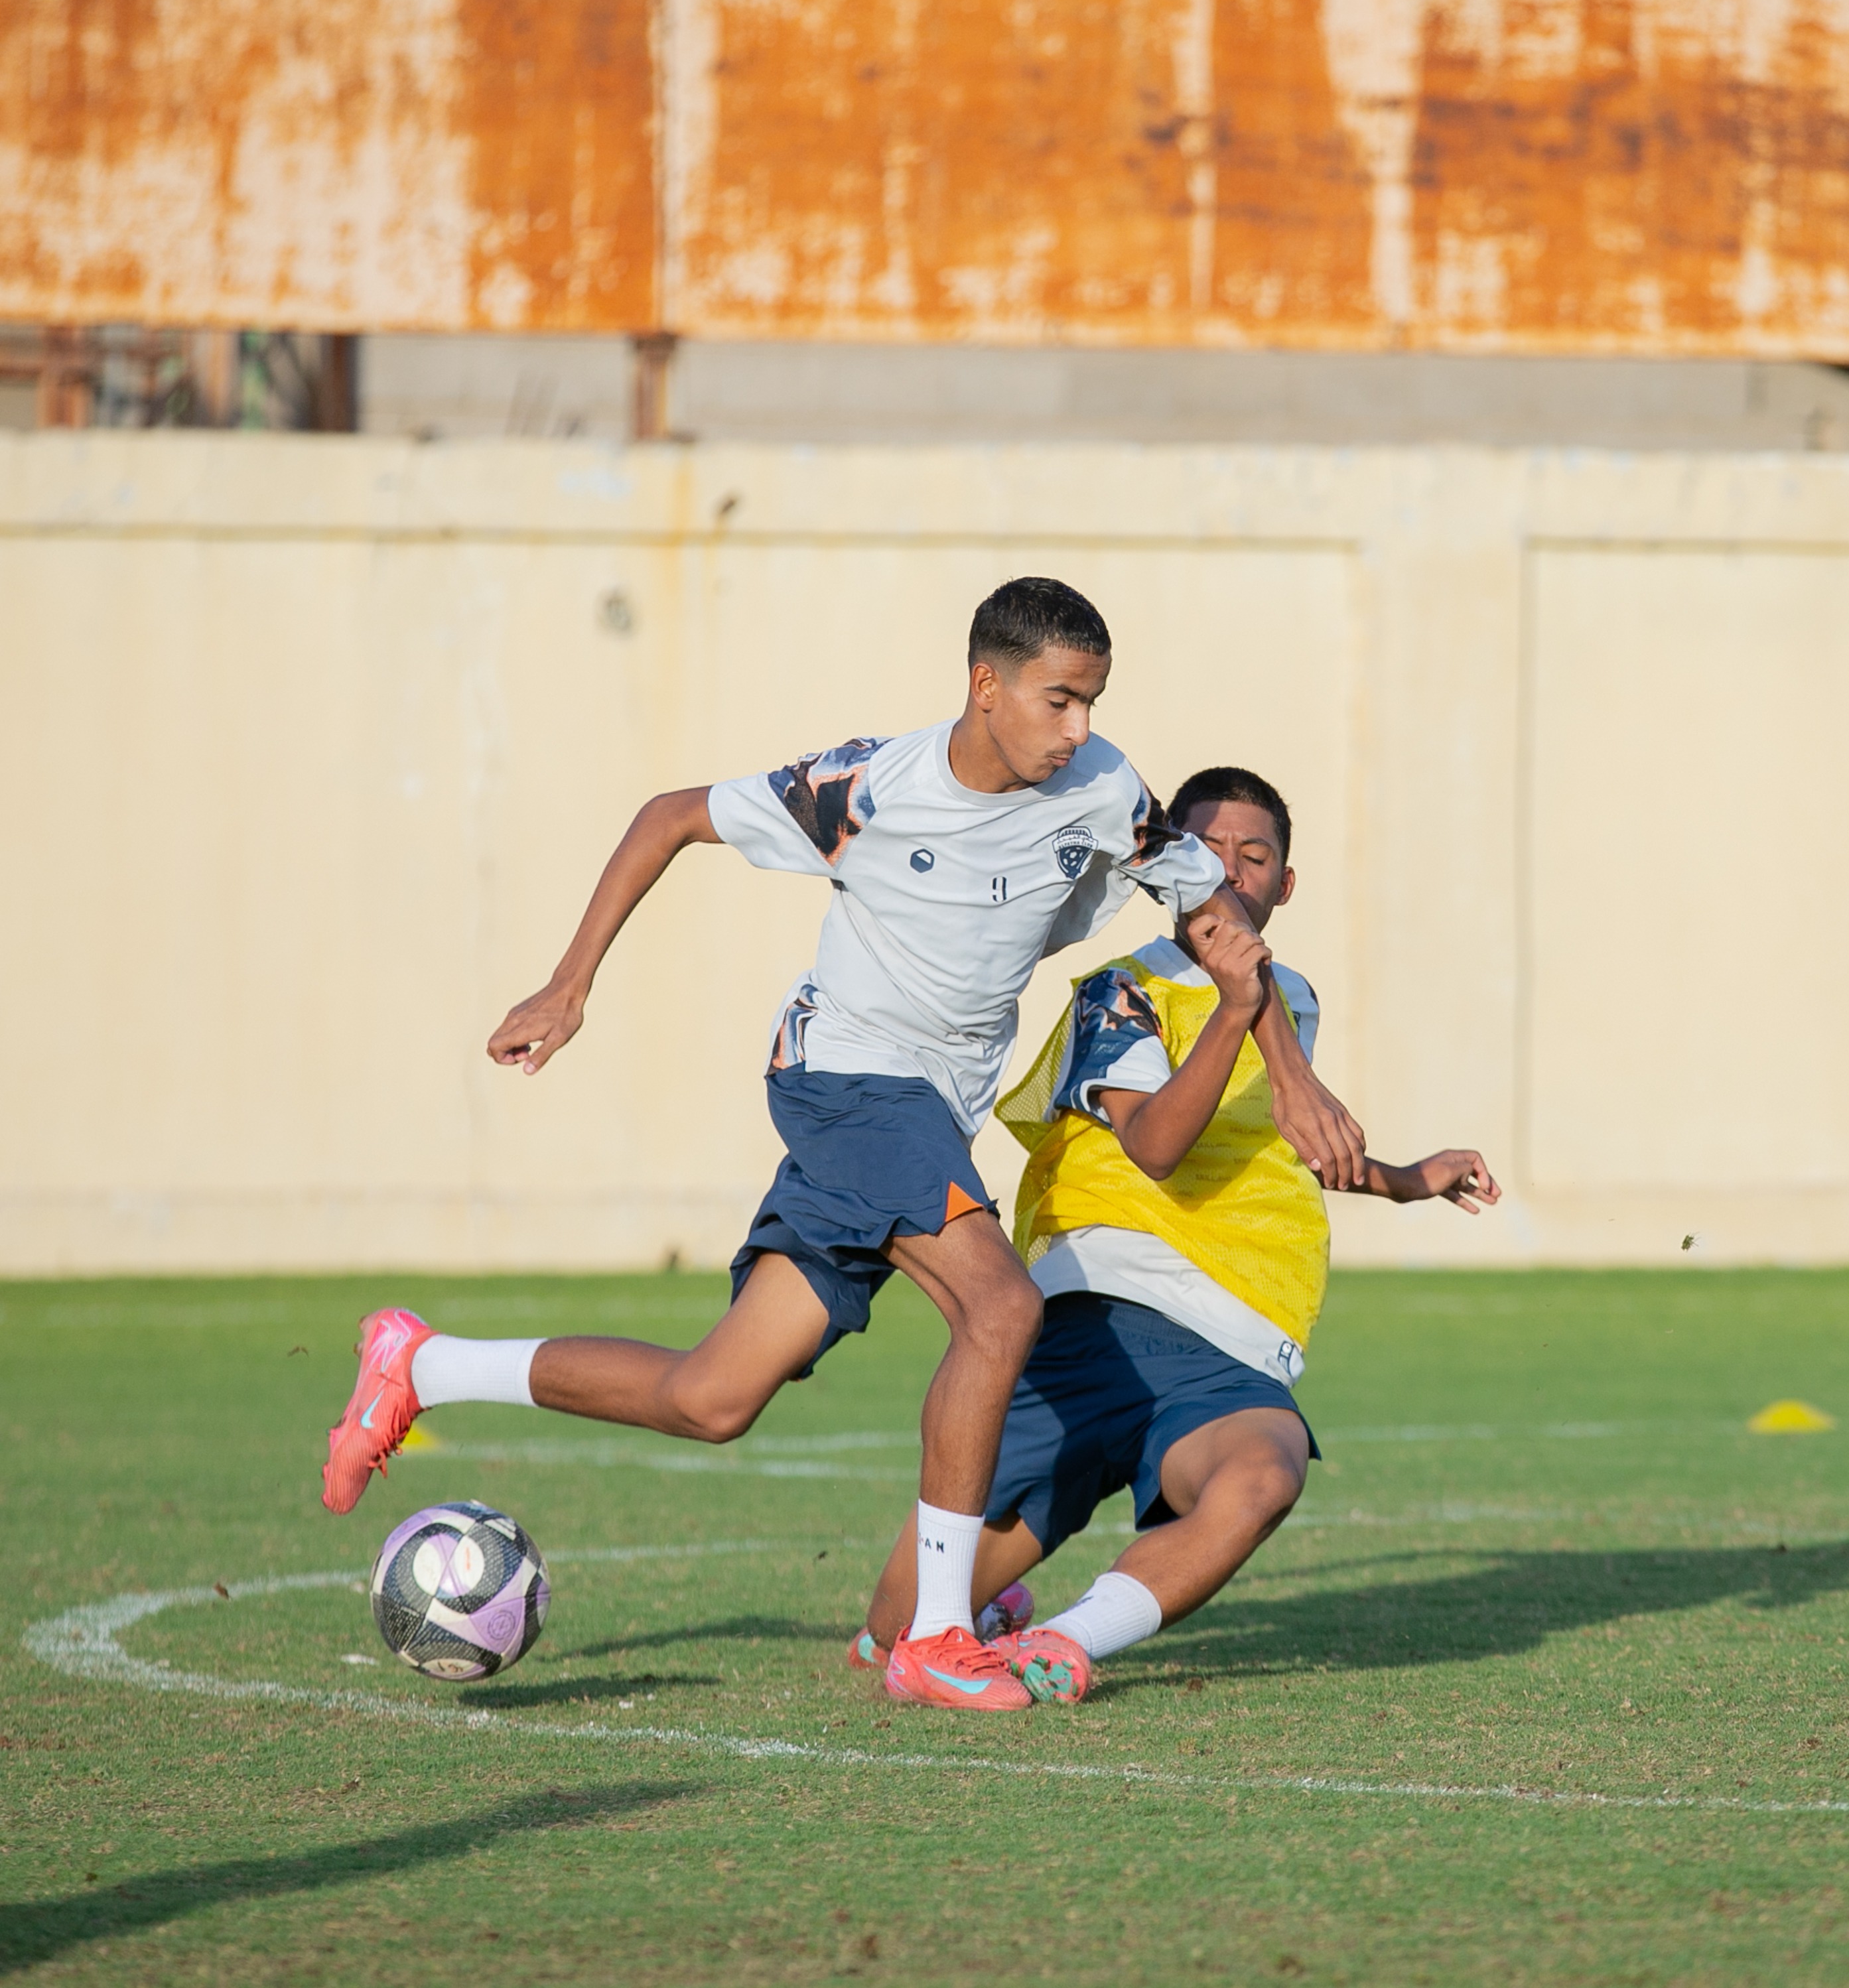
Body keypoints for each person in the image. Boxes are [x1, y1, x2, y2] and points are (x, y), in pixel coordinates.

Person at [319, 583, 1367, 1712]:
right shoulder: (867, 789)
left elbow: (1216, 923)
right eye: (1058, 700)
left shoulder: (1107, 789)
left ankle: (422, 1365)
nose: (1078, 729)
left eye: (1091, 703)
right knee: (1000, 1309)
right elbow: (669, 816)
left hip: (925, 1116)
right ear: (985, 686)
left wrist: (1294, 1076)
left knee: (713, 1398)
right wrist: (568, 986)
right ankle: (937, 1640)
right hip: (847, 1081)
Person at [852, 765, 1497, 1703]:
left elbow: (1279, 1142)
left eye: (1254, 856)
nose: (1229, 873)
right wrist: (1235, 1010)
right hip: (1098, 1320)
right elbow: (1155, 1146)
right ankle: (970, 1614)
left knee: (1263, 1475)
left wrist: (1406, 1182)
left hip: (1231, 1335)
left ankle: (1064, 1641)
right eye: (1207, 853)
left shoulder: (1294, 1000)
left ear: (1285, 883)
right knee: (893, 1625)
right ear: (1166, 873)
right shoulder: (1121, 990)